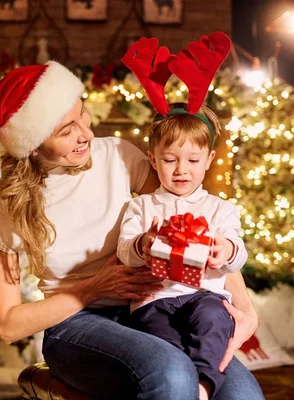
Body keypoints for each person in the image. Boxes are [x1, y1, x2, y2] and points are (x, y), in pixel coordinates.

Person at [0, 58, 264, 399]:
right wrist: (90, 289)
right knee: (171, 373)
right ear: (33, 145)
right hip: (76, 326)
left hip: (154, 307)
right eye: (67, 131)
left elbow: (191, 226)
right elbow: (8, 324)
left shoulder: (118, 155)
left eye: (82, 114)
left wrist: (246, 313)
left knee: (242, 395)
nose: (87, 133)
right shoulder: (4, 203)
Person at [117, 101, 248, 400]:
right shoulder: (141, 205)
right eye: (170, 160)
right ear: (152, 159)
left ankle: (203, 387)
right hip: (154, 300)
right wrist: (142, 244)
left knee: (215, 320)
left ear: (209, 159)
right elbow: (125, 250)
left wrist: (226, 250)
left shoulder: (221, 209)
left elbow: (238, 256)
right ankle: (179, 385)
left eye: (192, 160)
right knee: (164, 346)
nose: (181, 170)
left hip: (205, 296)